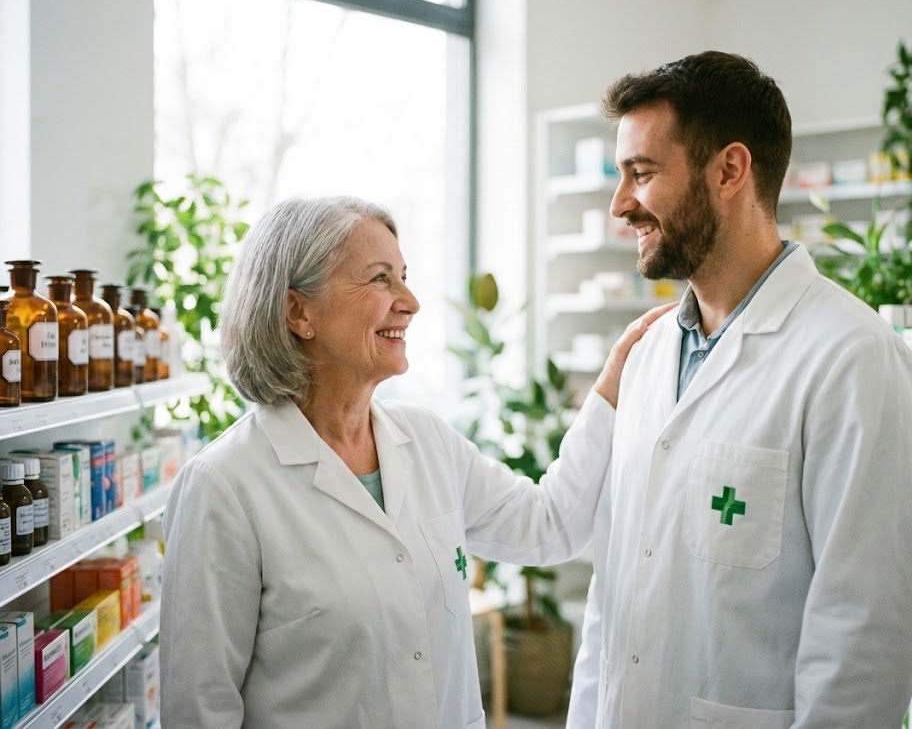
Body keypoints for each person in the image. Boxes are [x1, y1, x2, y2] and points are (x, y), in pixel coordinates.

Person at [159, 195, 673, 728]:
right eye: (380, 279)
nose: (410, 301)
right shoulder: (224, 486)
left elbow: (549, 525)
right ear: (298, 311)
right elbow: (199, 711)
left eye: (403, 276)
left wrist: (612, 384)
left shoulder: (426, 441)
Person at [565, 52, 912, 729]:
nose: (621, 205)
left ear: (729, 170)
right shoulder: (649, 358)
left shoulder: (854, 361)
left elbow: (865, 644)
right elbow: (611, 596)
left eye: (642, 174)